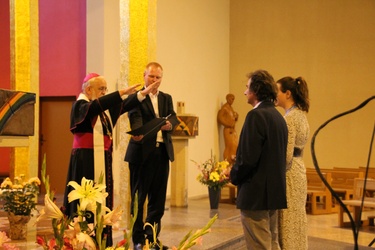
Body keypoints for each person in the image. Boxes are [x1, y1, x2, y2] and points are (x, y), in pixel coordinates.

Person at [63, 73, 159, 246]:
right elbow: (95, 107)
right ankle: (83, 240)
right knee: (85, 203)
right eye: (101, 89)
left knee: (101, 201)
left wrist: (142, 94)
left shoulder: (103, 111)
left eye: (106, 89)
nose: (104, 92)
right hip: (85, 162)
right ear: (89, 89)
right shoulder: (81, 105)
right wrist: (120, 92)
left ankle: (102, 239)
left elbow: (123, 106)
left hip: (102, 160)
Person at [230, 69, 288, 250]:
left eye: (247, 88)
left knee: (259, 245)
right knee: (272, 242)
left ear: (255, 91)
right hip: (273, 193)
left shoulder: (255, 115)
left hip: (256, 194)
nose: (244, 92)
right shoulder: (278, 117)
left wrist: (233, 175)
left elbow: (247, 159)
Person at [125, 62, 178, 250]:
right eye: (151, 76)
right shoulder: (136, 98)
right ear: (144, 76)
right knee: (139, 199)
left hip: (162, 153)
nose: (154, 81)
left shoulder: (166, 98)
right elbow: (135, 118)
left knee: (158, 199)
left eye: (158, 77)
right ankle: (138, 240)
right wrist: (140, 132)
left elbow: (173, 117)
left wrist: (169, 125)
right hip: (141, 154)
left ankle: (152, 238)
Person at [276, 76, 310, 250]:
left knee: (288, 220)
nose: (275, 95)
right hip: (299, 169)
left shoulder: (289, 119)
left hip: (289, 172)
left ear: (287, 93)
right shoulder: (301, 114)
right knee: (297, 218)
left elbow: (286, 155)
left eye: (277, 91)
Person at [217, 93, 239, 164]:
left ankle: (232, 160)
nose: (232, 101)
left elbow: (232, 118)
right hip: (228, 130)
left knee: (234, 145)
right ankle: (227, 161)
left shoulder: (230, 107)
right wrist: (228, 124)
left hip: (232, 129)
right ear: (227, 98)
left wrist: (236, 117)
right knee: (229, 146)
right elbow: (220, 118)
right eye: (231, 99)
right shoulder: (225, 107)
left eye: (233, 99)